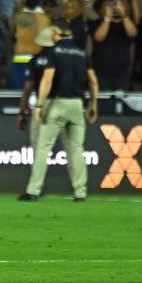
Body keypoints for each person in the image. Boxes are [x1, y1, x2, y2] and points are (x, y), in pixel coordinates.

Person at [19, 20, 99, 202]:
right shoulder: (82, 53)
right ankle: (80, 192)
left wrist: (39, 105)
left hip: (56, 103)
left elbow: (47, 79)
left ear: (57, 34)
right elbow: (93, 81)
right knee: (77, 149)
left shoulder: (54, 52)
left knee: (43, 147)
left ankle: (34, 190)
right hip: (77, 105)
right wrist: (94, 104)